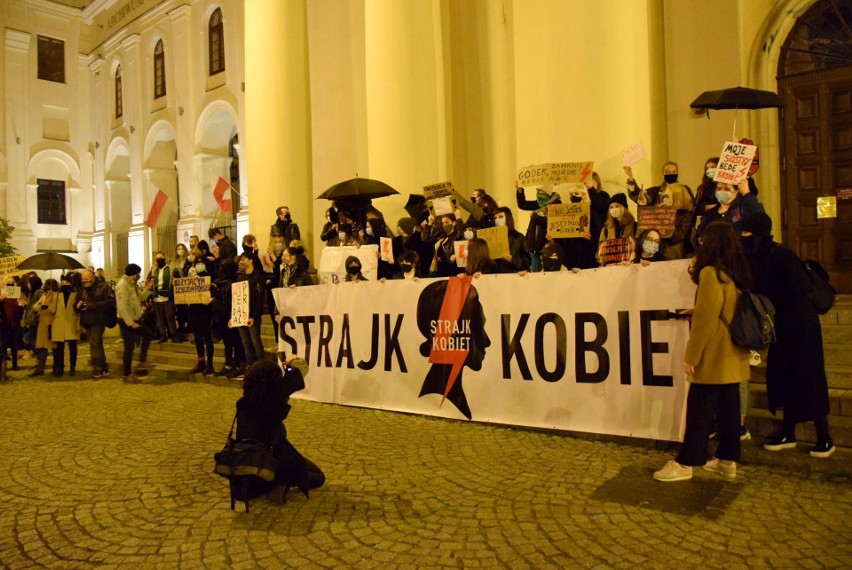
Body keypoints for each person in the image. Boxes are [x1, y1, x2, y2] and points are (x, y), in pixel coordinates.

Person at [654, 221, 751, 482]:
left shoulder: (710, 273)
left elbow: (707, 320)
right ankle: (727, 460)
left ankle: (687, 462)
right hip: (733, 351)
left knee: (699, 409)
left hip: (714, 353)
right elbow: (723, 307)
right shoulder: (734, 272)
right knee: (729, 408)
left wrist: (692, 356)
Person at [741, 213, 835, 457]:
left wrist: (773, 301)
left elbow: (799, 288)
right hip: (781, 325)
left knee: (809, 376)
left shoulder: (780, 254)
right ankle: (788, 431)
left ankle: (824, 436)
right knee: (786, 376)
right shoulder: (758, 256)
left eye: (747, 233)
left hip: (801, 324)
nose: (743, 237)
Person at [234, 358, 325, 502]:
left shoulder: (244, 401)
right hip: (272, 454)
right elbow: (302, 367)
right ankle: (279, 482)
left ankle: (271, 480)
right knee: (317, 476)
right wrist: (291, 360)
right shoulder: (276, 392)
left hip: (247, 457)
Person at [115, 264, 155, 383]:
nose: (139, 275)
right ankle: (127, 374)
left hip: (135, 318)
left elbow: (140, 297)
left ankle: (142, 361)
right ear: (133, 274)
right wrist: (130, 323)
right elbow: (121, 308)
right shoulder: (122, 286)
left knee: (148, 334)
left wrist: (148, 288)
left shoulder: (132, 284)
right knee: (129, 347)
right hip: (127, 321)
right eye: (138, 273)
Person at [77, 269, 113, 378]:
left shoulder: (103, 287)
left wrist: (91, 306)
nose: (84, 282)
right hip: (86, 319)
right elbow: (77, 300)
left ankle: (98, 367)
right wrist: (77, 305)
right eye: (82, 280)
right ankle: (102, 366)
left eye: (86, 280)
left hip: (98, 318)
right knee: (94, 343)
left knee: (95, 341)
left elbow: (108, 302)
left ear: (93, 278)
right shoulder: (82, 289)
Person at [233, 253, 266, 369]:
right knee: (246, 342)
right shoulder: (240, 278)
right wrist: (234, 316)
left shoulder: (257, 277)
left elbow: (260, 298)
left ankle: (263, 366)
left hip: (253, 316)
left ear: (251, 261)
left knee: (255, 342)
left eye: (243, 259)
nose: (241, 262)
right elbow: (236, 298)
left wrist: (254, 316)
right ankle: (250, 366)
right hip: (242, 315)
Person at [214, 259, 245, 378]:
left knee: (235, 342)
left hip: (231, 317)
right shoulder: (222, 282)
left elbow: (226, 304)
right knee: (227, 342)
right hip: (223, 317)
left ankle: (236, 365)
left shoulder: (232, 284)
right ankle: (228, 364)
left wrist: (213, 302)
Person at [698, 180, 764, 236]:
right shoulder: (710, 213)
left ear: (737, 191)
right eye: (719, 189)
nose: (722, 192)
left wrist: (746, 194)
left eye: (727, 189)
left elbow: (759, 217)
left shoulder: (743, 210)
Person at [186, 255, 216, 375]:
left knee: (207, 338)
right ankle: (201, 362)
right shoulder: (191, 277)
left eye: (201, 263)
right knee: (197, 338)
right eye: (197, 263)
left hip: (205, 311)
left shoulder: (210, 277)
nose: (199, 265)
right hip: (194, 310)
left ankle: (210, 365)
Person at [51, 274, 81, 376]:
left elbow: (78, 309)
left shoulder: (75, 295)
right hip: (59, 323)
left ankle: (72, 366)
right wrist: (50, 299)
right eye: (63, 283)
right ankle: (60, 367)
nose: (64, 285)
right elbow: (52, 309)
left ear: (71, 284)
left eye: (67, 283)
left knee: (73, 347)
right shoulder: (57, 295)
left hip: (71, 322)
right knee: (60, 348)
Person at [151, 251, 182, 343]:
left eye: (161, 258)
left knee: (170, 317)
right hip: (157, 297)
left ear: (164, 259)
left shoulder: (171, 269)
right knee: (160, 318)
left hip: (168, 296)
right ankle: (163, 335)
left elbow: (177, 280)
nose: (160, 260)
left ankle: (173, 334)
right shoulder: (153, 270)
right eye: (158, 258)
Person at [29, 279, 58, 377]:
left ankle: (57, 367)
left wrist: (43, 307)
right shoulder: (44, 295)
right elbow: (34, 307)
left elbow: (52, 309)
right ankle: (40, 368)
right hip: (42, 323)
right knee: (42, 347)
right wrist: (43, 306)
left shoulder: (55, 295)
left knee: (53, 347)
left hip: (50, 323)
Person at [493, 207, 530, 274]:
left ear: (508, 218)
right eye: (495, 218)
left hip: (514, 277)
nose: (497, 220)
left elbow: (527, 262)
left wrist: (513, 260)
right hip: (496, 278)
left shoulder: (519, 237)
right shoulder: (493, 238)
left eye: (501, 217)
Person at [0, 278, 24, 371]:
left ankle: (15, 364)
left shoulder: (17, 297)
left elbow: (21, 311)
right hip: (4, 323)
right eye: (8, 282)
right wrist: (1, 300)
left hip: (14, 323)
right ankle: (3, 365)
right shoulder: (2, 297)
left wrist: (20, 303)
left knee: (14, 345)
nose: (9, 283)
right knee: (3, 345)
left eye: (11, 282)